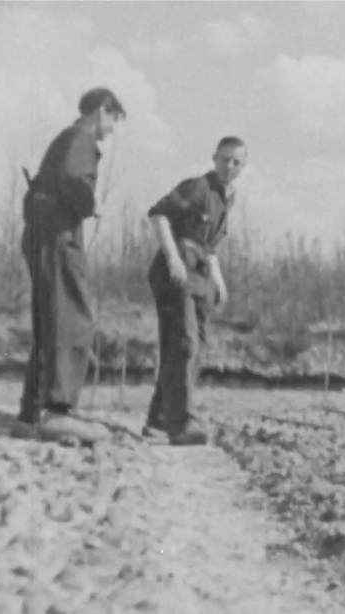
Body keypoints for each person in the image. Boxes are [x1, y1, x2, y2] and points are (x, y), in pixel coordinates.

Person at [17, 87, 126, 444]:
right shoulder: (81, 136)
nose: (111, 130)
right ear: (100, 111)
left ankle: (32, 412)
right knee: (71, 320)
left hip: (43, 231)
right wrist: (89, 205)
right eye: (112, 120)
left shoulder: (67, 137)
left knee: (50, 319)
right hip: (59, 233)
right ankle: (58, 413)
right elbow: (73, 178)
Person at [143, 136, 247, 445]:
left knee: (193, 346)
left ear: (243, 166)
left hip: (200, 273)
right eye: (225, 159)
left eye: (236, 162)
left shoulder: (226, 199)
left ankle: (159, 420)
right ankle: (182, 423)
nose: (229, 166)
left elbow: (210, 247)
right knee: (184, 342)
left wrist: (219, 281)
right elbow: (158, 214)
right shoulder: (198, 187)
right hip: (178, 270)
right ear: (214, 158)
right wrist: (173, 257)